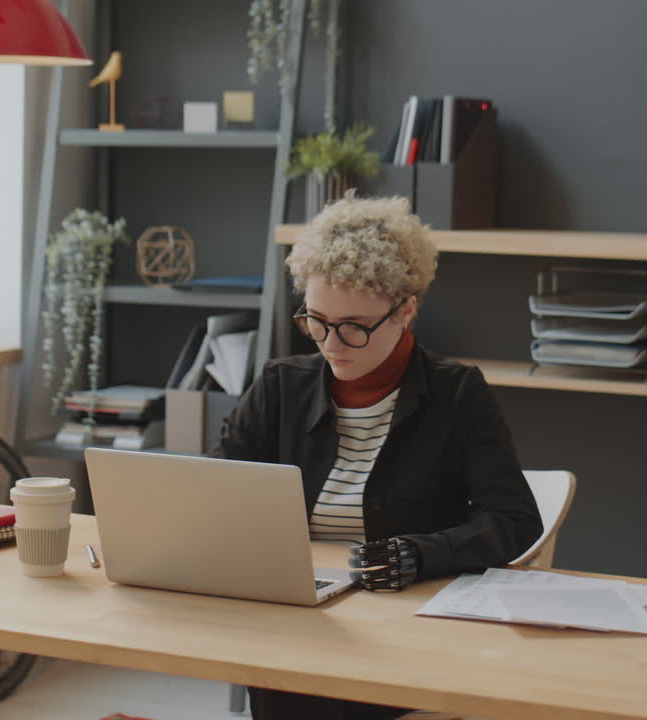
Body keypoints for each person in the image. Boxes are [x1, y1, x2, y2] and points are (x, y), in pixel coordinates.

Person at [212, 194, 543, 720]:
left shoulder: (457, 393)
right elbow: (213, 492)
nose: (332, 344)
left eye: (354, 326)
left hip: (404, 629)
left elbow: (515, 521)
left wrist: (421, 553)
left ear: (406, 310)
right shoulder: (280, 385)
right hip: (297, 620)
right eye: (316, 321)